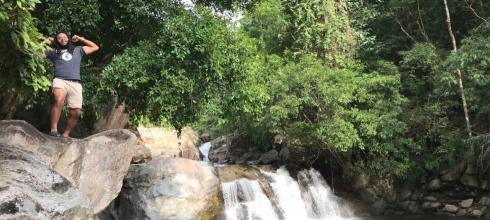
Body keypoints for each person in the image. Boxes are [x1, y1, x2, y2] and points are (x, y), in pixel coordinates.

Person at [43, 32, 99, 138]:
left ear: (68, 39)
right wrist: (46, 41)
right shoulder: (53, 52)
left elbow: (95, 47)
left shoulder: (78, 50)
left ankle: (66, 134)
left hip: (75, 83)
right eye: (59, 38)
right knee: (58, 100)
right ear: (56, 41)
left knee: (76, 113)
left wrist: (81, 38)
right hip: (60, 80)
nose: (62, 38)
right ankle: (54, 130)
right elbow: (35, 52)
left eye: (64, 36)